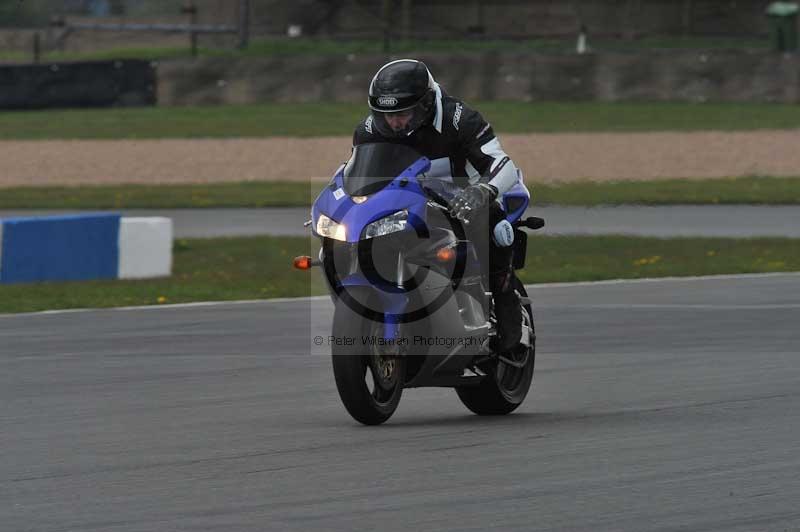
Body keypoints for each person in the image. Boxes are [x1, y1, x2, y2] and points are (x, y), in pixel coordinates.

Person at [352, 58, 528, 355]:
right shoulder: (370, 130)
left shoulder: (459, 119)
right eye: (386, 114)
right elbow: (357, 175)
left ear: (424, 105)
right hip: (411, 202)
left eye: (403, 113)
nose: (394, 122)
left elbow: (502, 163)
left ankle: (504, 296)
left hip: (466, 197)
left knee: (493, 223)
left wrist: (482, 190)